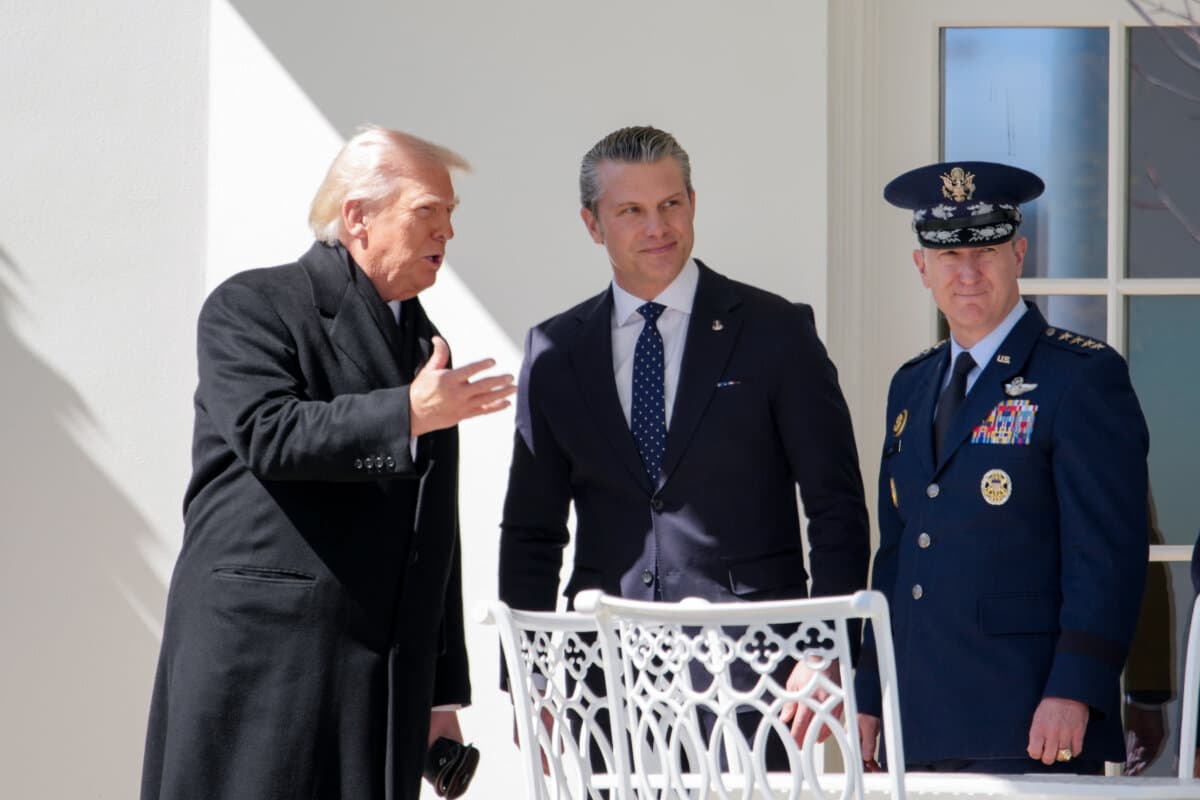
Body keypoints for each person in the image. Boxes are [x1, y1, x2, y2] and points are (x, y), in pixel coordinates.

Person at [140, 125, 515, 800]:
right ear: (358, 217)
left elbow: (435, 533)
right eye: (428, 211)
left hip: (379, 678)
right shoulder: (252, 305)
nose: (447, 233)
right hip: (261, 664)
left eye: (450, 215)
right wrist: (407, 412)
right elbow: (268, 433)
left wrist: (439, 695)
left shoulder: (424, 345)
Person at [498, 125, 870, 749]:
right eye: (631, 211)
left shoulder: (777, 332)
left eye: (671, 204)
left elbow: (836, 506)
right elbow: (532, 531)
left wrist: (823, 647)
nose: (657, 227)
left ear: (693, 204)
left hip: (759, 672)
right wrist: (529, 673)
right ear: (593, 225)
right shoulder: (556, 351)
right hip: (604, 677)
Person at [855, 161, 1150, 774]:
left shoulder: (1081, 377)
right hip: (919, 721)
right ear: (922, 269)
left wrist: (1077, 686)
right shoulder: (911, 386)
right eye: (947, 257)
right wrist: (868, 693)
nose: (967, 273)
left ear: (1018, 253)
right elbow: (898, 554)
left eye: (985, 251)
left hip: (1031, 720)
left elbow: (1108, 554)